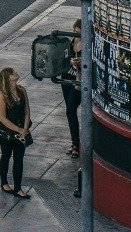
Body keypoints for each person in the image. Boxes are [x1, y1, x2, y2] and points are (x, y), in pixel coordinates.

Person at [0, 67, 32, 199]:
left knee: (19, 159)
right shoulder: (2, 95)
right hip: (6, 133)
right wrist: (19, 129)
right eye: (12, 73)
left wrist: (25, 128)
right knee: (6, 155)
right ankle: (4, 182)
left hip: (21, 132)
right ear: (7, 79)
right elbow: (2, 118)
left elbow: (27, 110)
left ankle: (18, 188)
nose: (15, 74)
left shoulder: (21, 90)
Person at [60, 20, 83, 158]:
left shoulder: (88, 46)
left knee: (71, 109)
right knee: (70, 112)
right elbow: (61, 60)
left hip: (78, 82)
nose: (76, 35)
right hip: (66, 79)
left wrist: (81, 63)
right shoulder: (70, 43)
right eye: (75, 33)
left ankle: (77, 144)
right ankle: (75, 142)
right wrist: (69, 61)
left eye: (79, 33)